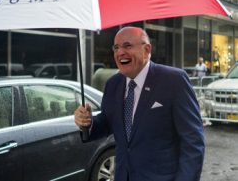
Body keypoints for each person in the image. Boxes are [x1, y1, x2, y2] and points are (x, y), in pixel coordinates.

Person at [74, 26, 204, 181]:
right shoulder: (113, 84)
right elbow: (108, 122)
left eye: (127, 46)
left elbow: (193, 143)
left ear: (147, 49)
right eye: (116, 48)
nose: (120, 52)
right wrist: (88, 123)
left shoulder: (174, 81)